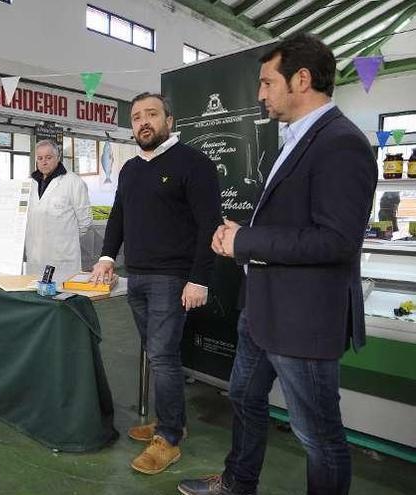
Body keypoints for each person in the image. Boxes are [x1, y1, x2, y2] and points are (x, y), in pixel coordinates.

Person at [178, 34, 377, 495]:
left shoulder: (342, 143)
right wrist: (241, 230)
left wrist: (245, 240)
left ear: (301, 79)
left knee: (318, 437)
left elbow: (337, 241)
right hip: (263, 310)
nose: (261, 94)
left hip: (302, 321)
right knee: (246, 398)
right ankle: (237, 483)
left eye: (268, 82)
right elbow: (292, 220)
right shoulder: (296, 139)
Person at [90, 92, 222, 475]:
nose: (143, 122)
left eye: (151, 114)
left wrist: (199, 278)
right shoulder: (131, 169)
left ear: (170, 120)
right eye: (136, 117)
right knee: (156, 353)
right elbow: (119, 216)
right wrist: (106, 257)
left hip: (173, 278)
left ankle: (169, 439)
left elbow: (208, 225)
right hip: (137, 276)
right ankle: (171, 420)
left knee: (162, 357)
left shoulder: (193, 163)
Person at [24, 140, 91, 275]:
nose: (44, 162)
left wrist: (65, 241)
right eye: (40, 158)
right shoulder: (29, 184)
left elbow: (85, 222)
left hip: (63, 259)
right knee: (33, 291)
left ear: (57, 157)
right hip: (34, 257)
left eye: (48, 157)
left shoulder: (73, 182)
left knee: (61, 294)